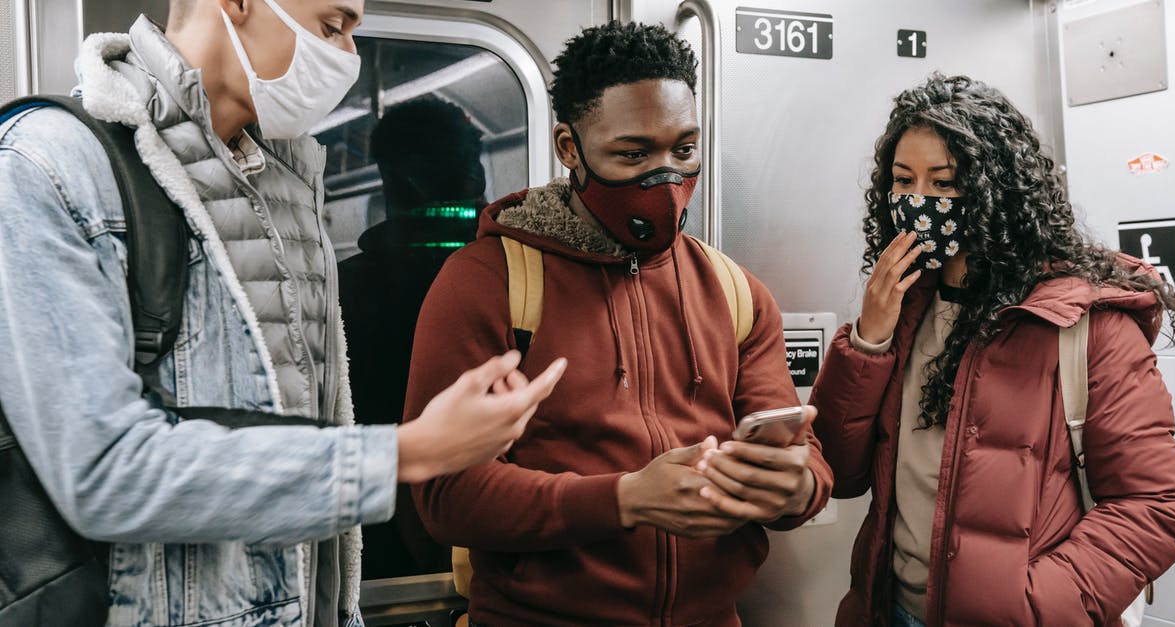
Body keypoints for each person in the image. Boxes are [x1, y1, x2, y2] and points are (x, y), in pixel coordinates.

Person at [0, 1, 565, 625]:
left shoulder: (289, 183)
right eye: (332, 26)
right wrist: (406, 453)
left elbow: (310, 425)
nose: (348, 56)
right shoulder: (49, 165)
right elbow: (104, 471)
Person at [403, 22, 833, 627]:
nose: (664, 178)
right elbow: (445, 495)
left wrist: (795, 488)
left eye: (683, 150)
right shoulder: (489, 282)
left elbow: (808, 462)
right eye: (632, 155)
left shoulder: (735, 292)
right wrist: (625, 499)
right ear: (569, 147)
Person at [809, 74, 1175, 627]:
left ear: (997, 190)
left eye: (945, 184)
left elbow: (1157, 506)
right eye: (904, 181)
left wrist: (1032, 607)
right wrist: (868, 340)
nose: (921, 202)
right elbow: (839, 474)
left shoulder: (1084, 321)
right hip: (889, 609)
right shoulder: (904, 307)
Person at [339, 96, 486, 578]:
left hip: (375, 528)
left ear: (392, 180)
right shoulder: (517, 273)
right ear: (476, 175)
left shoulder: (344, 288)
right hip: (496, 525)